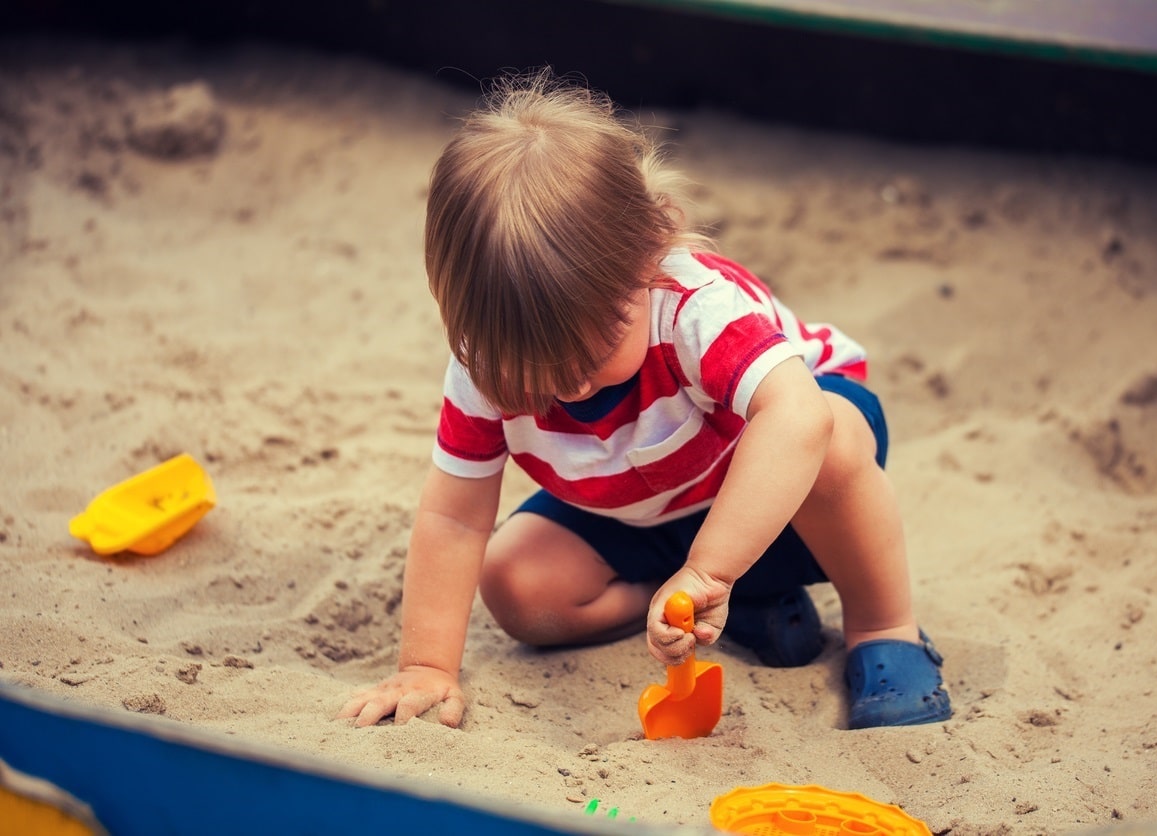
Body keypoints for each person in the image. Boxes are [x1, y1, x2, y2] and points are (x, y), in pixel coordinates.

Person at [337, 70, 951, 732]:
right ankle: (725, 608)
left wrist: (710, 571)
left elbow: (796, 417)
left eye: (597, 348)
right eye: (537, 368)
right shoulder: (484, 363)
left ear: (653, 246)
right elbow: (455, 519)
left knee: (833, 438)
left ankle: (884, 630)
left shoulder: (692, 308)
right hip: (642, 513)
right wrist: (427, 665)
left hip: (781, 493)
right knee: (516, 585)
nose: (569, 388)